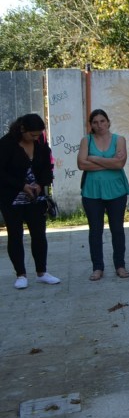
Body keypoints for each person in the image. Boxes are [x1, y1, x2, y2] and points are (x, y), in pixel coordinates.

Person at [0, 114, 60, 289]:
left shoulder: (41, 144)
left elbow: (48, 168)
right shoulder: (6, 144)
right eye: (32, 135)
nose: (36, 137)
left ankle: (42, 272)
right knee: (15, 235)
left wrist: (41, 184)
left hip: (36, 198)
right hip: (12, 198)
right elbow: (1, 173)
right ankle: (21, 275)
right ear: (22, 129)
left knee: (39, 234)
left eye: (38, 134)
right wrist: (22, 186)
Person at [77, 109, 129, 280]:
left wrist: (93, 158)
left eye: (102, 121)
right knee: (95, 230)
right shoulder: (86, 140)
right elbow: (81, 164)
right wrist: (109, 162)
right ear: (91, 125)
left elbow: (119, 164)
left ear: (108, 122)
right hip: (92, 191)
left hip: (116, 190)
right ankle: (97, 267)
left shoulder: (119, 140)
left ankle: (120, 265)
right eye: (95, 122)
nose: (99, 125)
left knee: (117, 229)